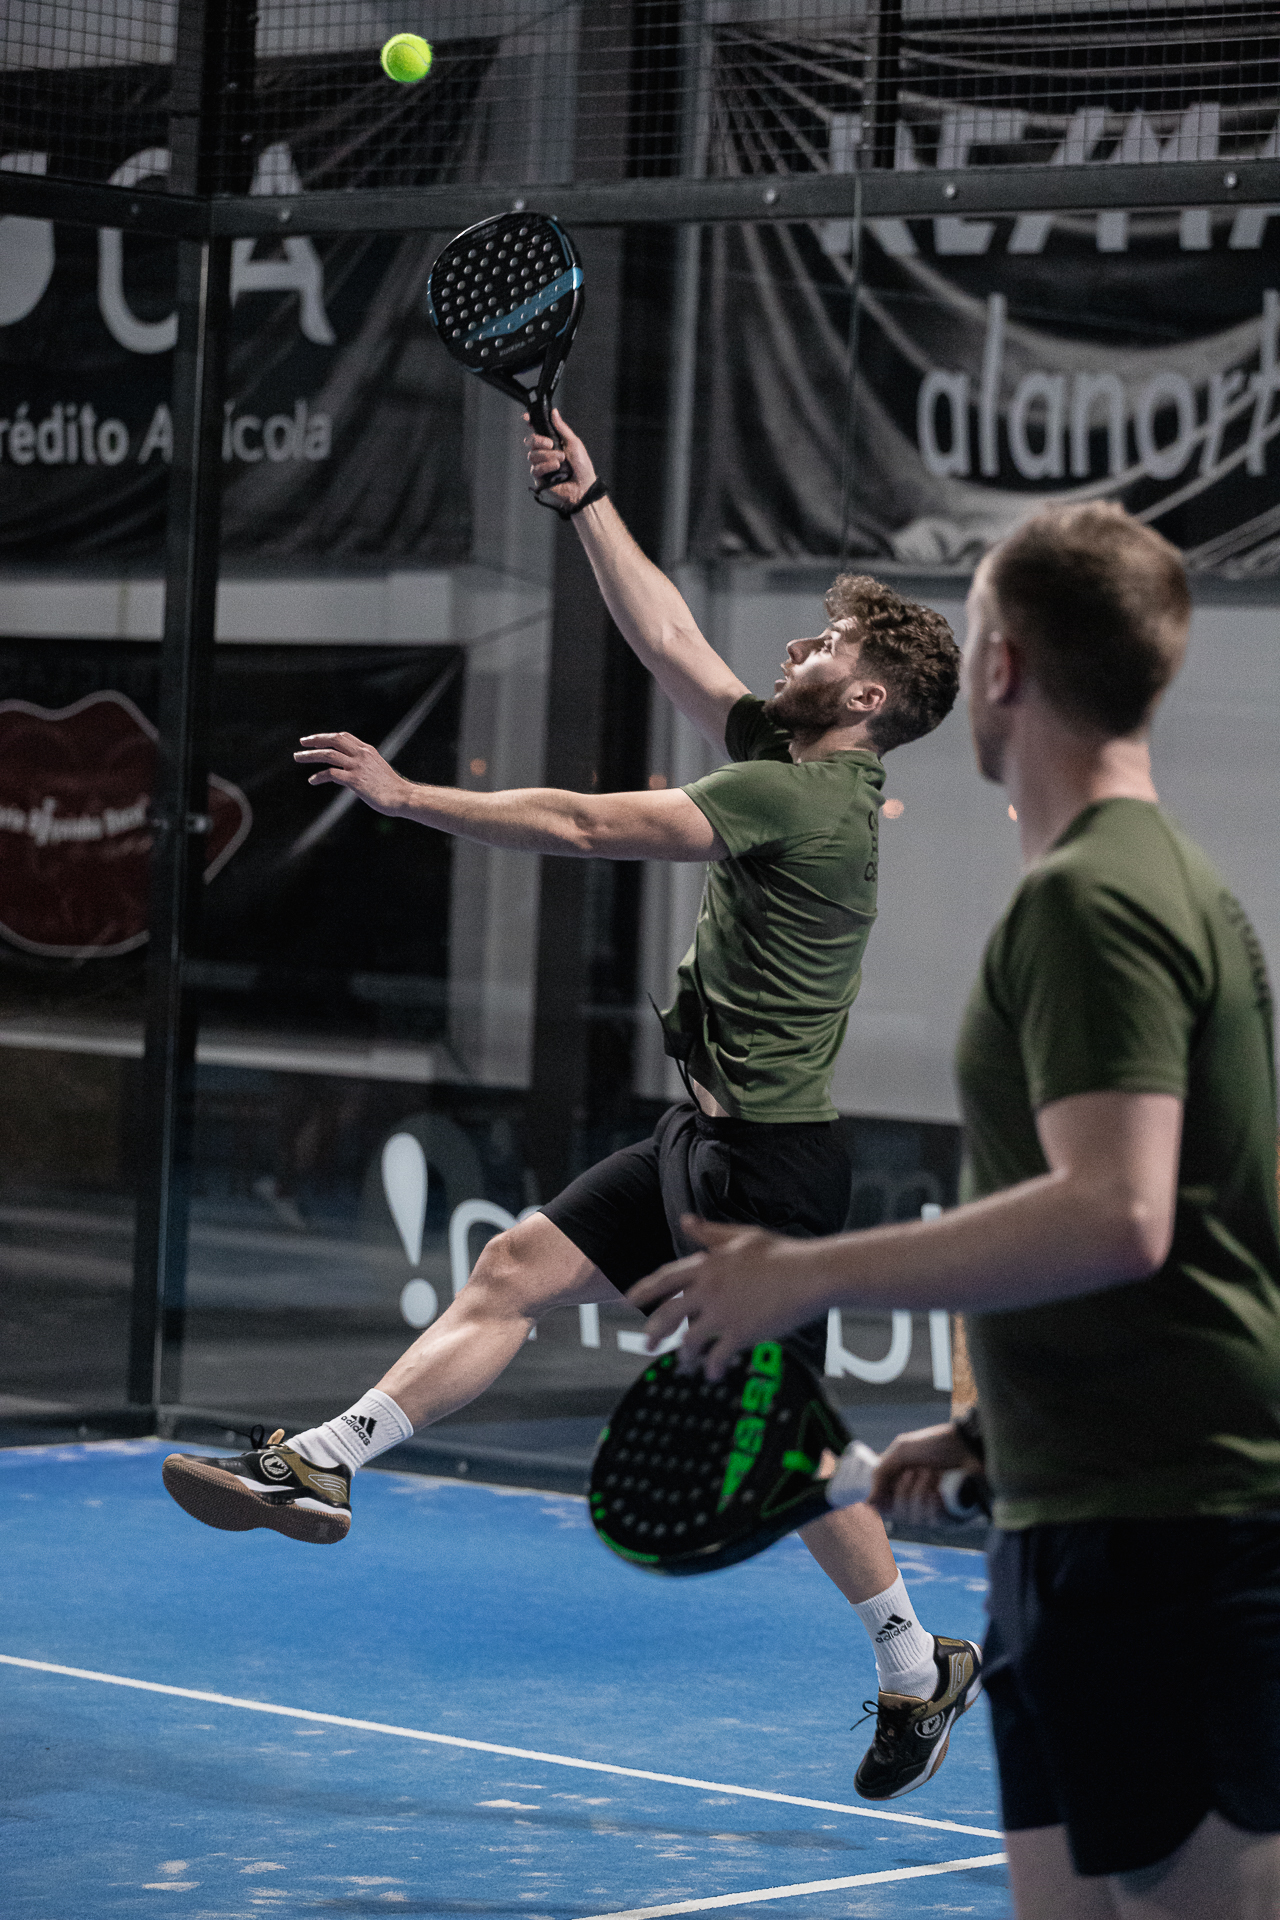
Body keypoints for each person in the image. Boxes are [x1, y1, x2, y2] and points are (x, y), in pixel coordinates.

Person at [162, 408, 976, 1802]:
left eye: (827, 643)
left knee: (781, 1448)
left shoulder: (807, 803)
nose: (800, 644)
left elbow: (592, 826)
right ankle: (328, 1461)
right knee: (511, 1270)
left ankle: (919, 1663)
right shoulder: (786, 761)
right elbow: (669, 639)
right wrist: (589, 499)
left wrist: (409, 796)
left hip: (768, 1176)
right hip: (700, 1142)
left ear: (868, 701)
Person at [630, 502, 1280, 1918]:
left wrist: (808, 1273)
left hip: (1164, 1529)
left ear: (1000, 670)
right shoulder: (1114, 887)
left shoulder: (1100, 901)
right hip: (1066, 1504)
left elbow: (1120, 1215)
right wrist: (989, 1432)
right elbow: (1186, 1218)